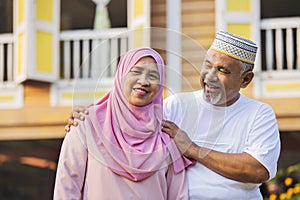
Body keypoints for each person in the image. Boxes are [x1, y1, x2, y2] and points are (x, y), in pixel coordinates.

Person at [65, 31, 281, 199]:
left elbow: (258, 169)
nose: (210, 76)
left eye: (222, 71)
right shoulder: (177, 105)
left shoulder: (259, 114)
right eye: (207, 66)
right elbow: (132, 119)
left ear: (245, 80)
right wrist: (92, 115)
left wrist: (192, 149)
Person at [54, 47, 192, 200]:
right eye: (136, 72)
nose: (144, 81)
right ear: (121, 75)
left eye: (153, 75)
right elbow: (66, 189)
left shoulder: (166, 140)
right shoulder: (86, 125)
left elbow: (179, 196)